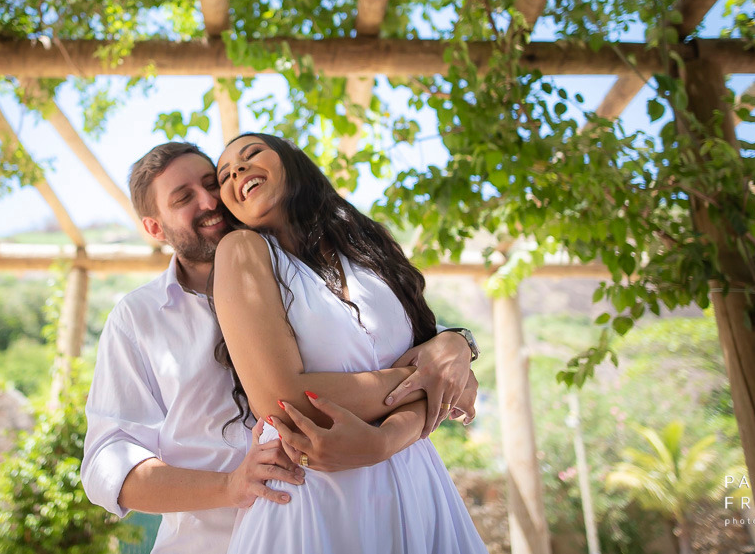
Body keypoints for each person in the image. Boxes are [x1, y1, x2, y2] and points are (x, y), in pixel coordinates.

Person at [82, 141, 479, 554]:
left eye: (209, 182)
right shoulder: (137, 318)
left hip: (375, 504)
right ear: (155, 229)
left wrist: (459, 342)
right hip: (224, 539)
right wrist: (231, 486)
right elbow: (106, 465)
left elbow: (404, 350)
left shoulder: (302, 267)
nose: (209, 200)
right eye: (184, 198)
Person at [213, 133, 487, 553]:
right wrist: (431, 371)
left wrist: (388, 439)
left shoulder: (365, 249)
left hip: (418, 483)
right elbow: (283, 401)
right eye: (225, 174)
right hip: (315, 500)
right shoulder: (242, 251)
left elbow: (459, 387)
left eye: (251, 155)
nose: (237, 171)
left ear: (291, 162)